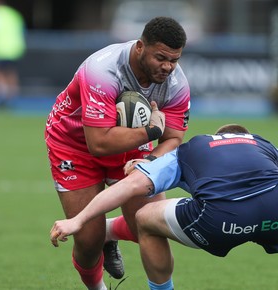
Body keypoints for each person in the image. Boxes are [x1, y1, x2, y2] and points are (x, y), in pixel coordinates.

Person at [50, 124, 278, 290]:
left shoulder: (191, 149)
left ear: (219, 134)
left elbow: (130, 187)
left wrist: (79, 220)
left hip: (219, 221)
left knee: (145, 218)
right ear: (243, 135)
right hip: (276, 209)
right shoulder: (262, 145)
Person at [45, 17, 190, 290]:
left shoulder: (176, 82)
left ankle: (109, 232)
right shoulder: (103, 70)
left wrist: (147, 161)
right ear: (139, 47)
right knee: (88, 241)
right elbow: (98, 143)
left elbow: (174, 138)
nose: (167, 67)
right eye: (161, 57)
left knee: (152, 227)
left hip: (133, 145)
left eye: (174, 60)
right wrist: (149, 133)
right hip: (73, 145)